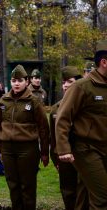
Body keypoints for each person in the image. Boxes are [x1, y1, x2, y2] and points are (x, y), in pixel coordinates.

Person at [55, 40, 107, 209]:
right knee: (102, 196)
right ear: (104, 62)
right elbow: (62, 117)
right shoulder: (81, 87)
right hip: (86, 148)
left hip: (104, 146)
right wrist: (63, 149)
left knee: (91, 196)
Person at [0, 65, 49, 210]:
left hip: (28, 149)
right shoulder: (3, 101)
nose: (16, 84)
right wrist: (0, 149)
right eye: (13, 81)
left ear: (26, 81)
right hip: (7, 149)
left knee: (27, 186)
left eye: (19, 80)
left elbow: (43, 128)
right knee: (13, 185)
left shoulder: (33, 101)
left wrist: (44, 152)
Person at [49, 66, 88, 210]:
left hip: (85, 154)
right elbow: (53, 138)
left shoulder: (86, 106)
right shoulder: (55, 109)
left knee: (86, 192)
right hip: (64, 158)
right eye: (64, 82)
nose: (65, 85)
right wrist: (56, 158)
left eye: (70, 81)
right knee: (68, 191)